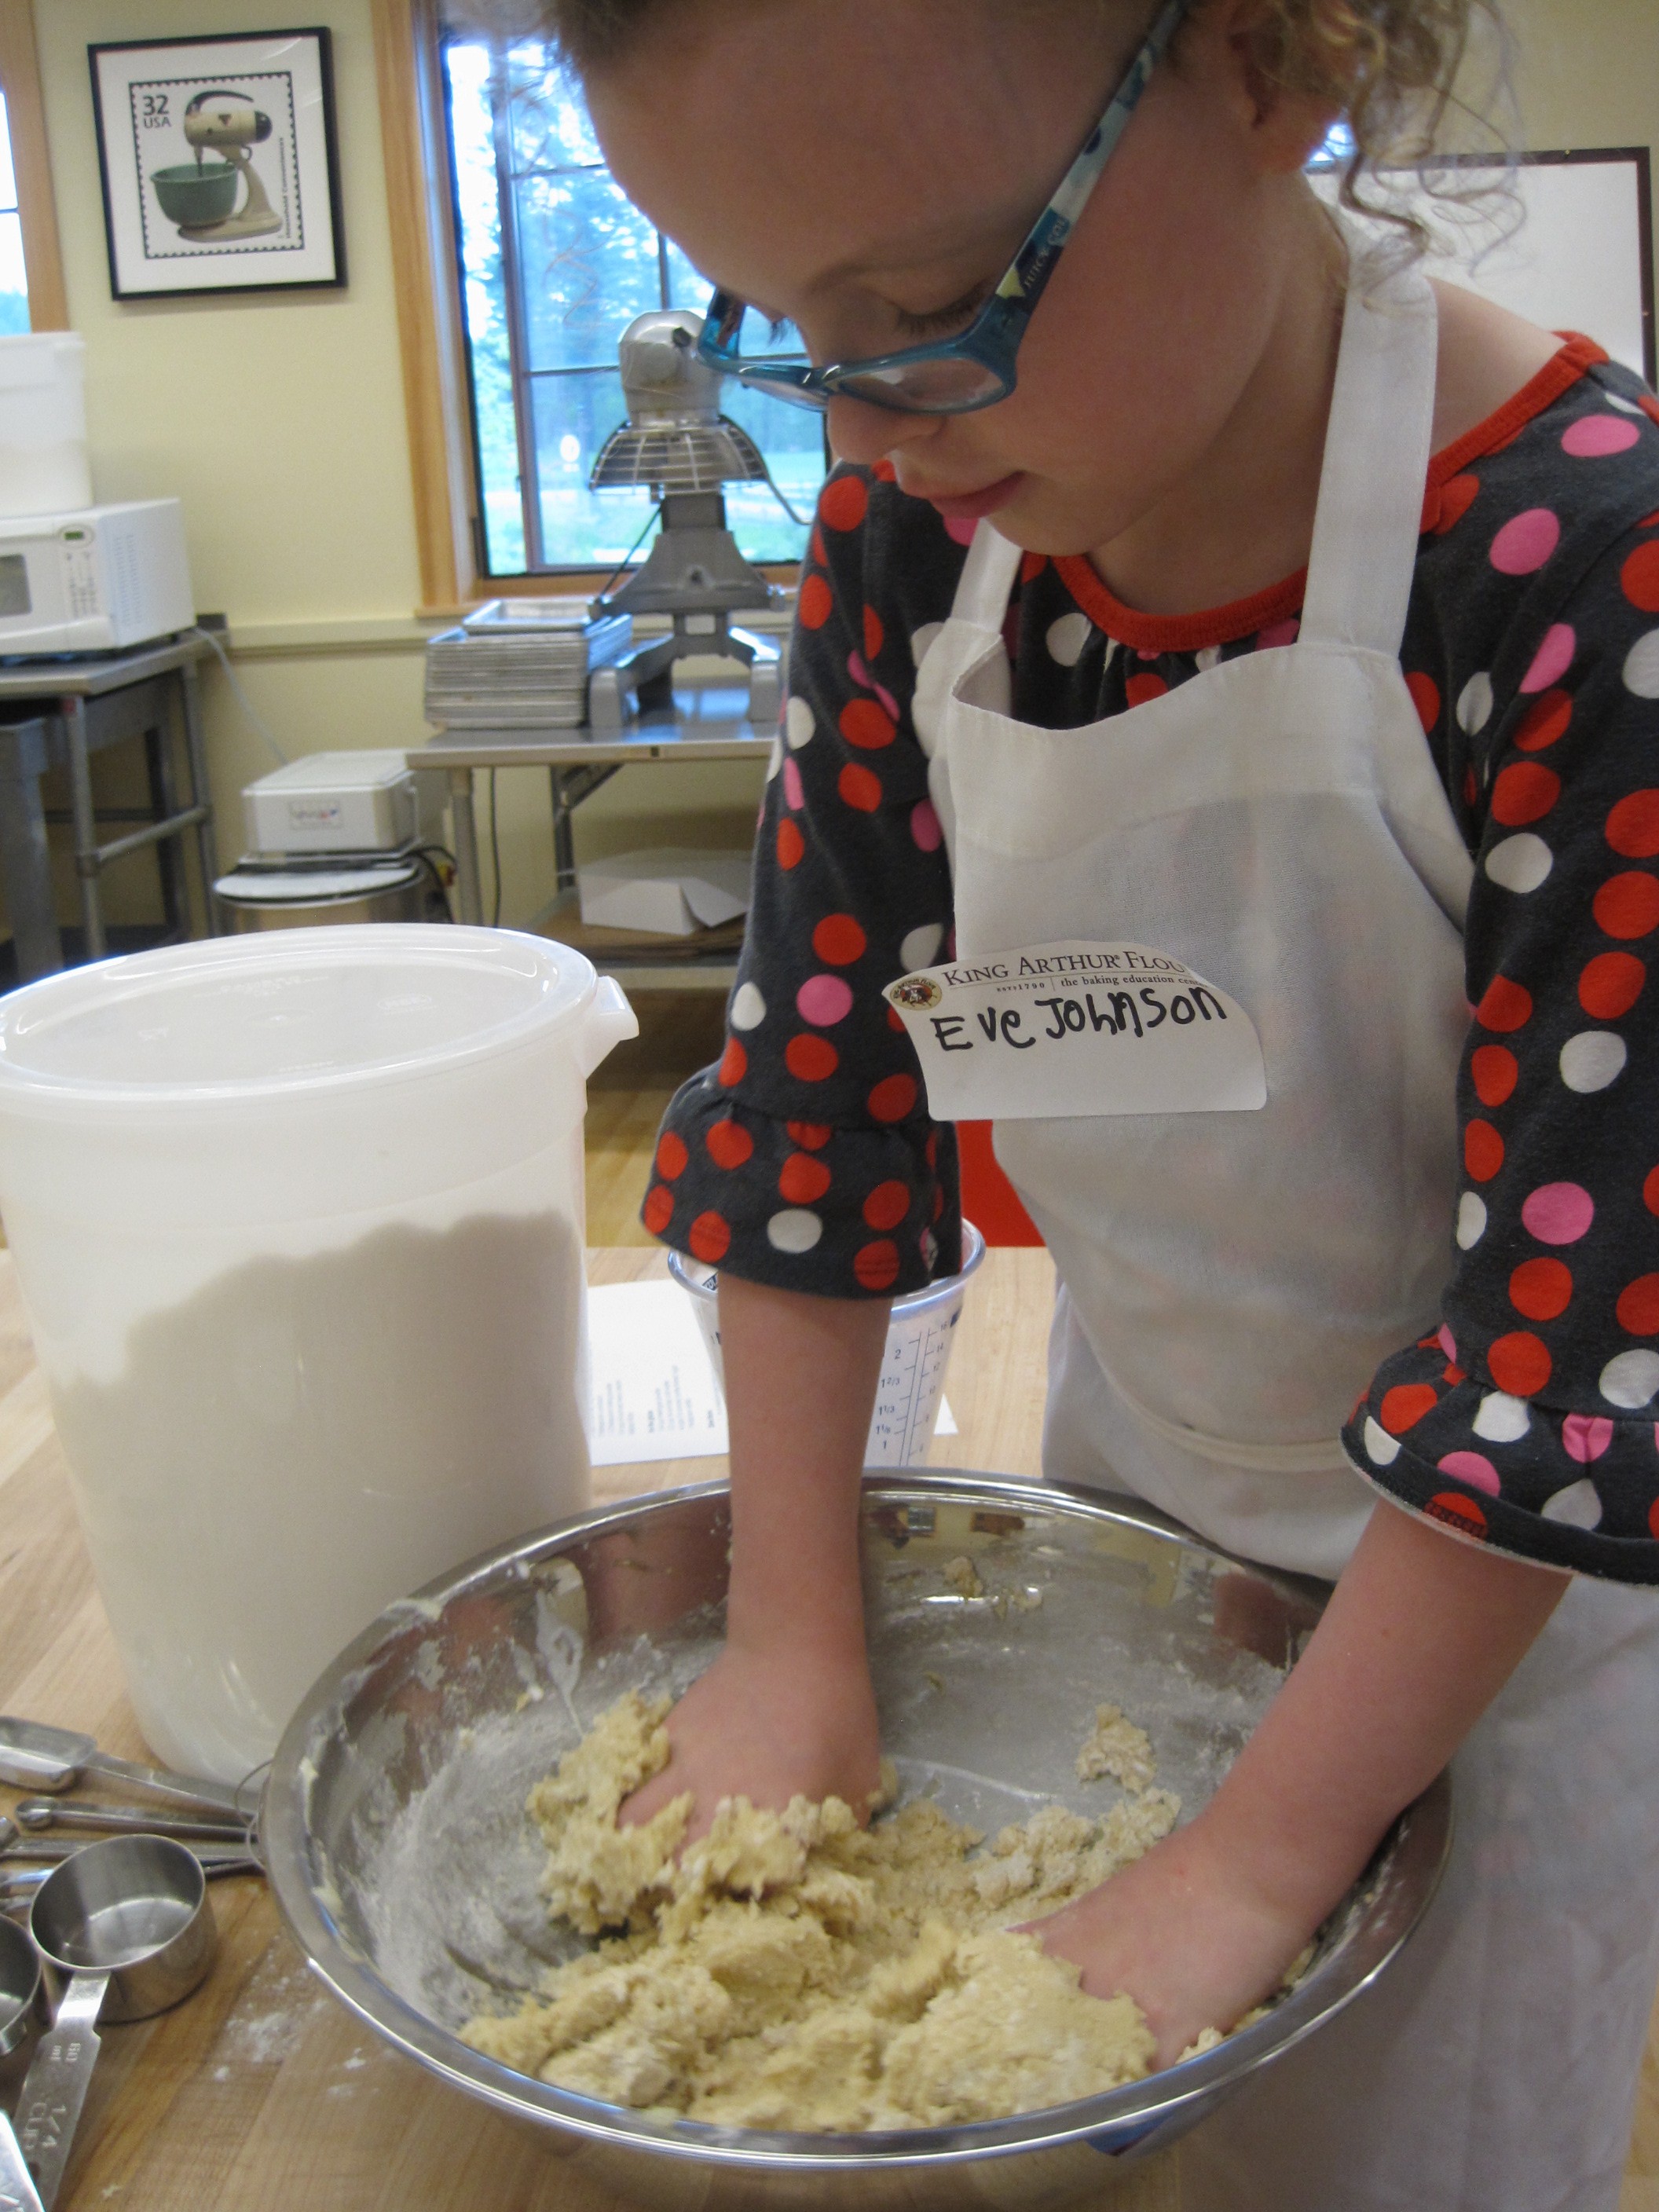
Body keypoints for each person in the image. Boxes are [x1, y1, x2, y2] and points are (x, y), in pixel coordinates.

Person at [537, 1, 1659, 2202]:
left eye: (941, 303)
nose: (873, 426)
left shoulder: (1580, 575)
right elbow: (814, 1111)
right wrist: (790, 1635)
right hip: (1142, 1547)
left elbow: (1579, 1346)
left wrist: (1255, 1859)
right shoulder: (919, 544)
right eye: (791, 337)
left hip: (1492, 1654)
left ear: (1269, 63)